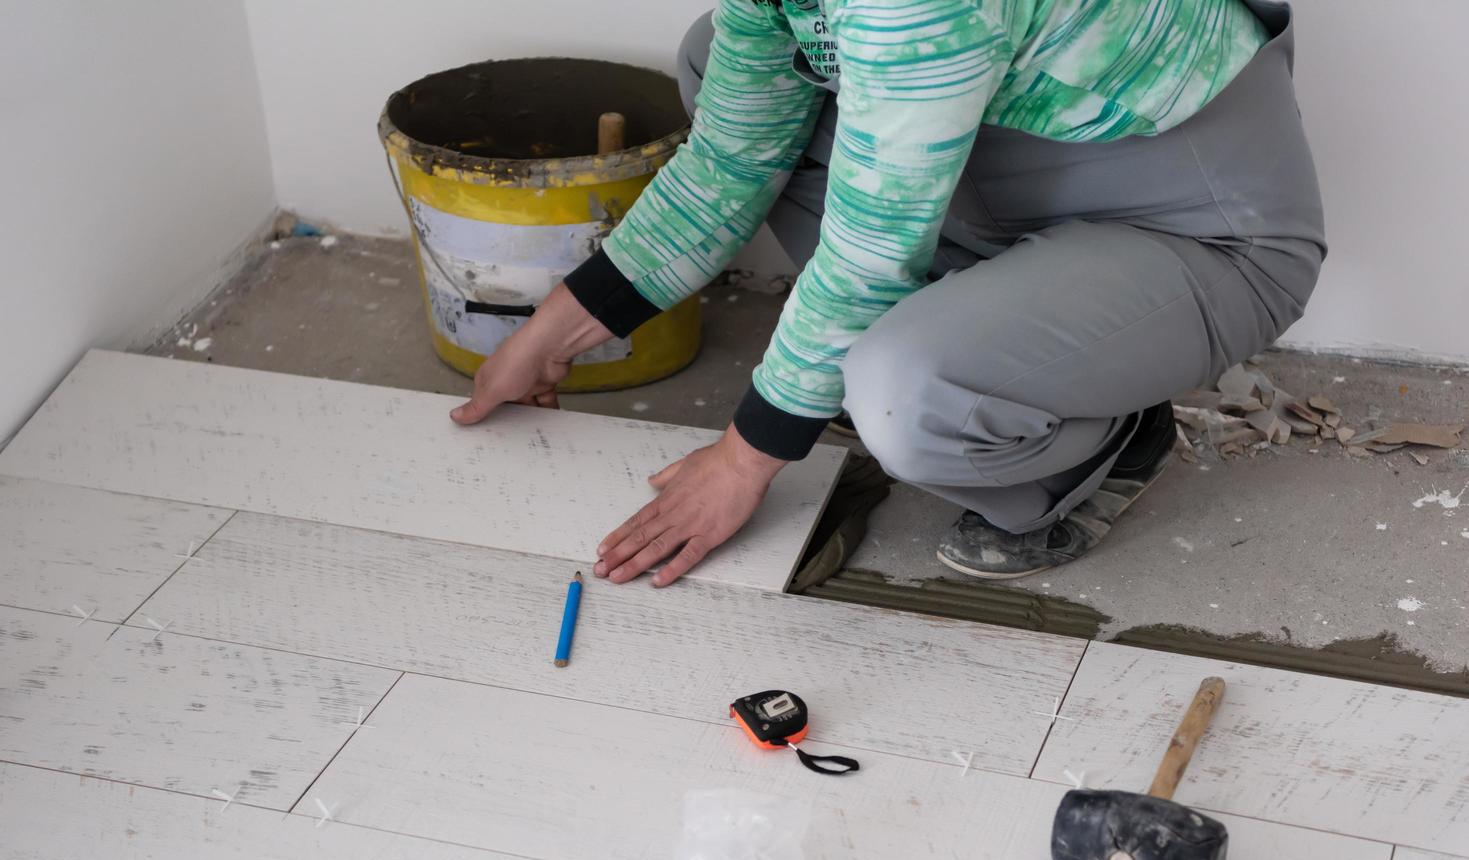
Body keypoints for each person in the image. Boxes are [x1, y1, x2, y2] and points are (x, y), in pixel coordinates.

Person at [451, 0, 1325, 587]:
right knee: (722, 56)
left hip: (1193, 227)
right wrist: (553, 332)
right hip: (997, 169)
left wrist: (744, 459)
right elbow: (731, 161)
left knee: (906, 398)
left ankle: (1102, 441)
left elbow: (873, 245)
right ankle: (992, 349)